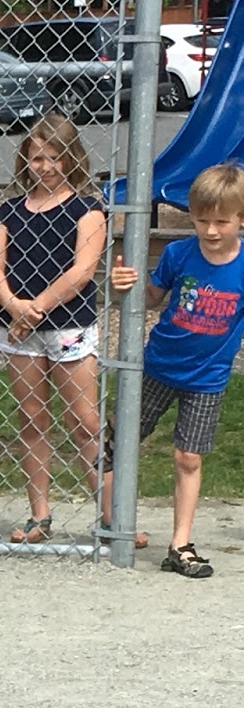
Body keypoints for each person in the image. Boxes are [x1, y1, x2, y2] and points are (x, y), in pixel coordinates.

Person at [0, 115, 117, 545]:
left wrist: (35, 309)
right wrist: (14, 307)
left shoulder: (87, 210)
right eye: (37, 158)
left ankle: (113, 516)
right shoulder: (9, 212)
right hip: (17, 329)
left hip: (68, 325)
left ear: (70, 159)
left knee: (84, 421)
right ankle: (39, 514)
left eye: (55, 158)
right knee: (31, 418)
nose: (45, 167)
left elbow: (82, 271)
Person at [108, 162, 244, 578]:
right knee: (118, 440)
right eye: (202, 220)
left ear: (241, 219)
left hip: (207, 378)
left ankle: (180, 544)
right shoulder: (178, 253)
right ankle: (112, 521)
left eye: (222, 222)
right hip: (158, 366)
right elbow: (150, 297)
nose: (211, 230)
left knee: (188, 456)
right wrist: (125, 284)